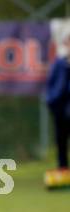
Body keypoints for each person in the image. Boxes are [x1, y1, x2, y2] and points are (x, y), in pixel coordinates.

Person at [46, 35, 70, 170]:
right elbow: (51, 84)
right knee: (61, 140)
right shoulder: (60, 64)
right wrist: (51, 101)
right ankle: (63, 169)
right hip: (60, 109)